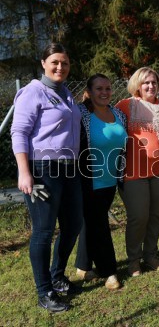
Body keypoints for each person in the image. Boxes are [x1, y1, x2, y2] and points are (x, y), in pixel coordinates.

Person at [11, 43, 83, 312]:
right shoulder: (32, 92)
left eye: (64, 62)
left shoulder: (66, 94)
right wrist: (24, 172)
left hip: (70, 168)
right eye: (54, 62)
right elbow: (19, 132)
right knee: (43, 230)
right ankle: (45, 292)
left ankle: (58, 276)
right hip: (43, 168)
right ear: (43, 63)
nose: (60, 67)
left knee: (74, 223)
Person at [115, 67, 159, 277]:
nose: (151, 86)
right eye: (146, 83)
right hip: (133, 172)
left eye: (154, 82)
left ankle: (150, 255)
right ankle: (133, 260)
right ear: (138, 85)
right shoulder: (125, 106)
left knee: (154, 216)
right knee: (138, 216)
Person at [74, 74, 127, 290]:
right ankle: (109, 271)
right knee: (100, 224)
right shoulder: (81, 113)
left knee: (92, 222)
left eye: (107, 88)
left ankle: (83, 266)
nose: (104, 92)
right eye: (99, 89)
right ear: (89, 91)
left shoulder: (118, 114)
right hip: (88, 178)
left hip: (111, 178)